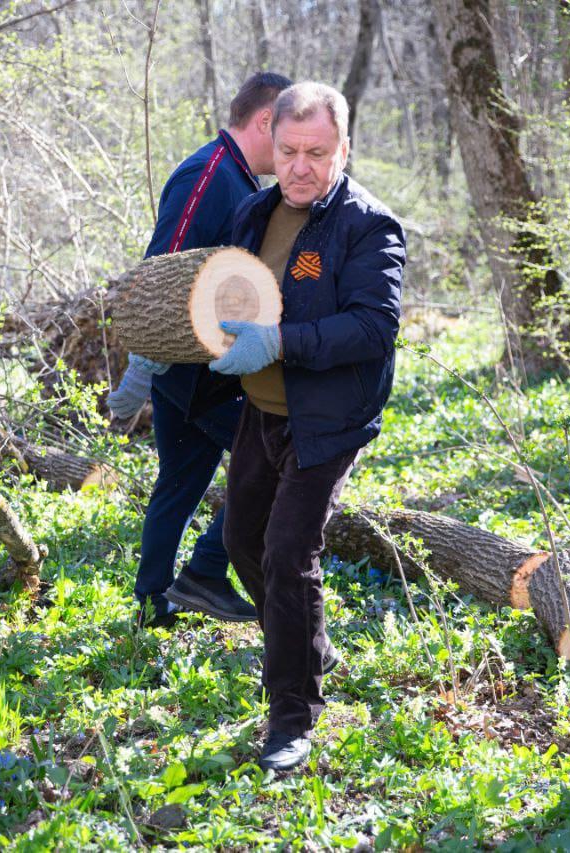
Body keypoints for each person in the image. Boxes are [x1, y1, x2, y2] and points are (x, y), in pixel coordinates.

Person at [204, 82, 405, 771]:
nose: (299, 166)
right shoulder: (253, 210)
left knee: (290, 554)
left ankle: (293, 713)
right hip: (260, 410)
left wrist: (282, 341)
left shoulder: (368, 225)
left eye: (316, 153)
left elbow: (373, 326)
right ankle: (309, 645)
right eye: (287, 150)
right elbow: (226, 290)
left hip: (328, 417)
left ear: (343, 148)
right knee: (240, 540)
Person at [107, 72, 291, 628]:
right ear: (264, 121)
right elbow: (162, 269)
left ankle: (150, 606)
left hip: (201, 370)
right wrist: (144, 363)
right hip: (192, 375)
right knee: (283, 462)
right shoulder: (209, 174)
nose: (289, 152)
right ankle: (207, 571)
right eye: (284, 133)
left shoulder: (238, 180)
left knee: (181, 481)